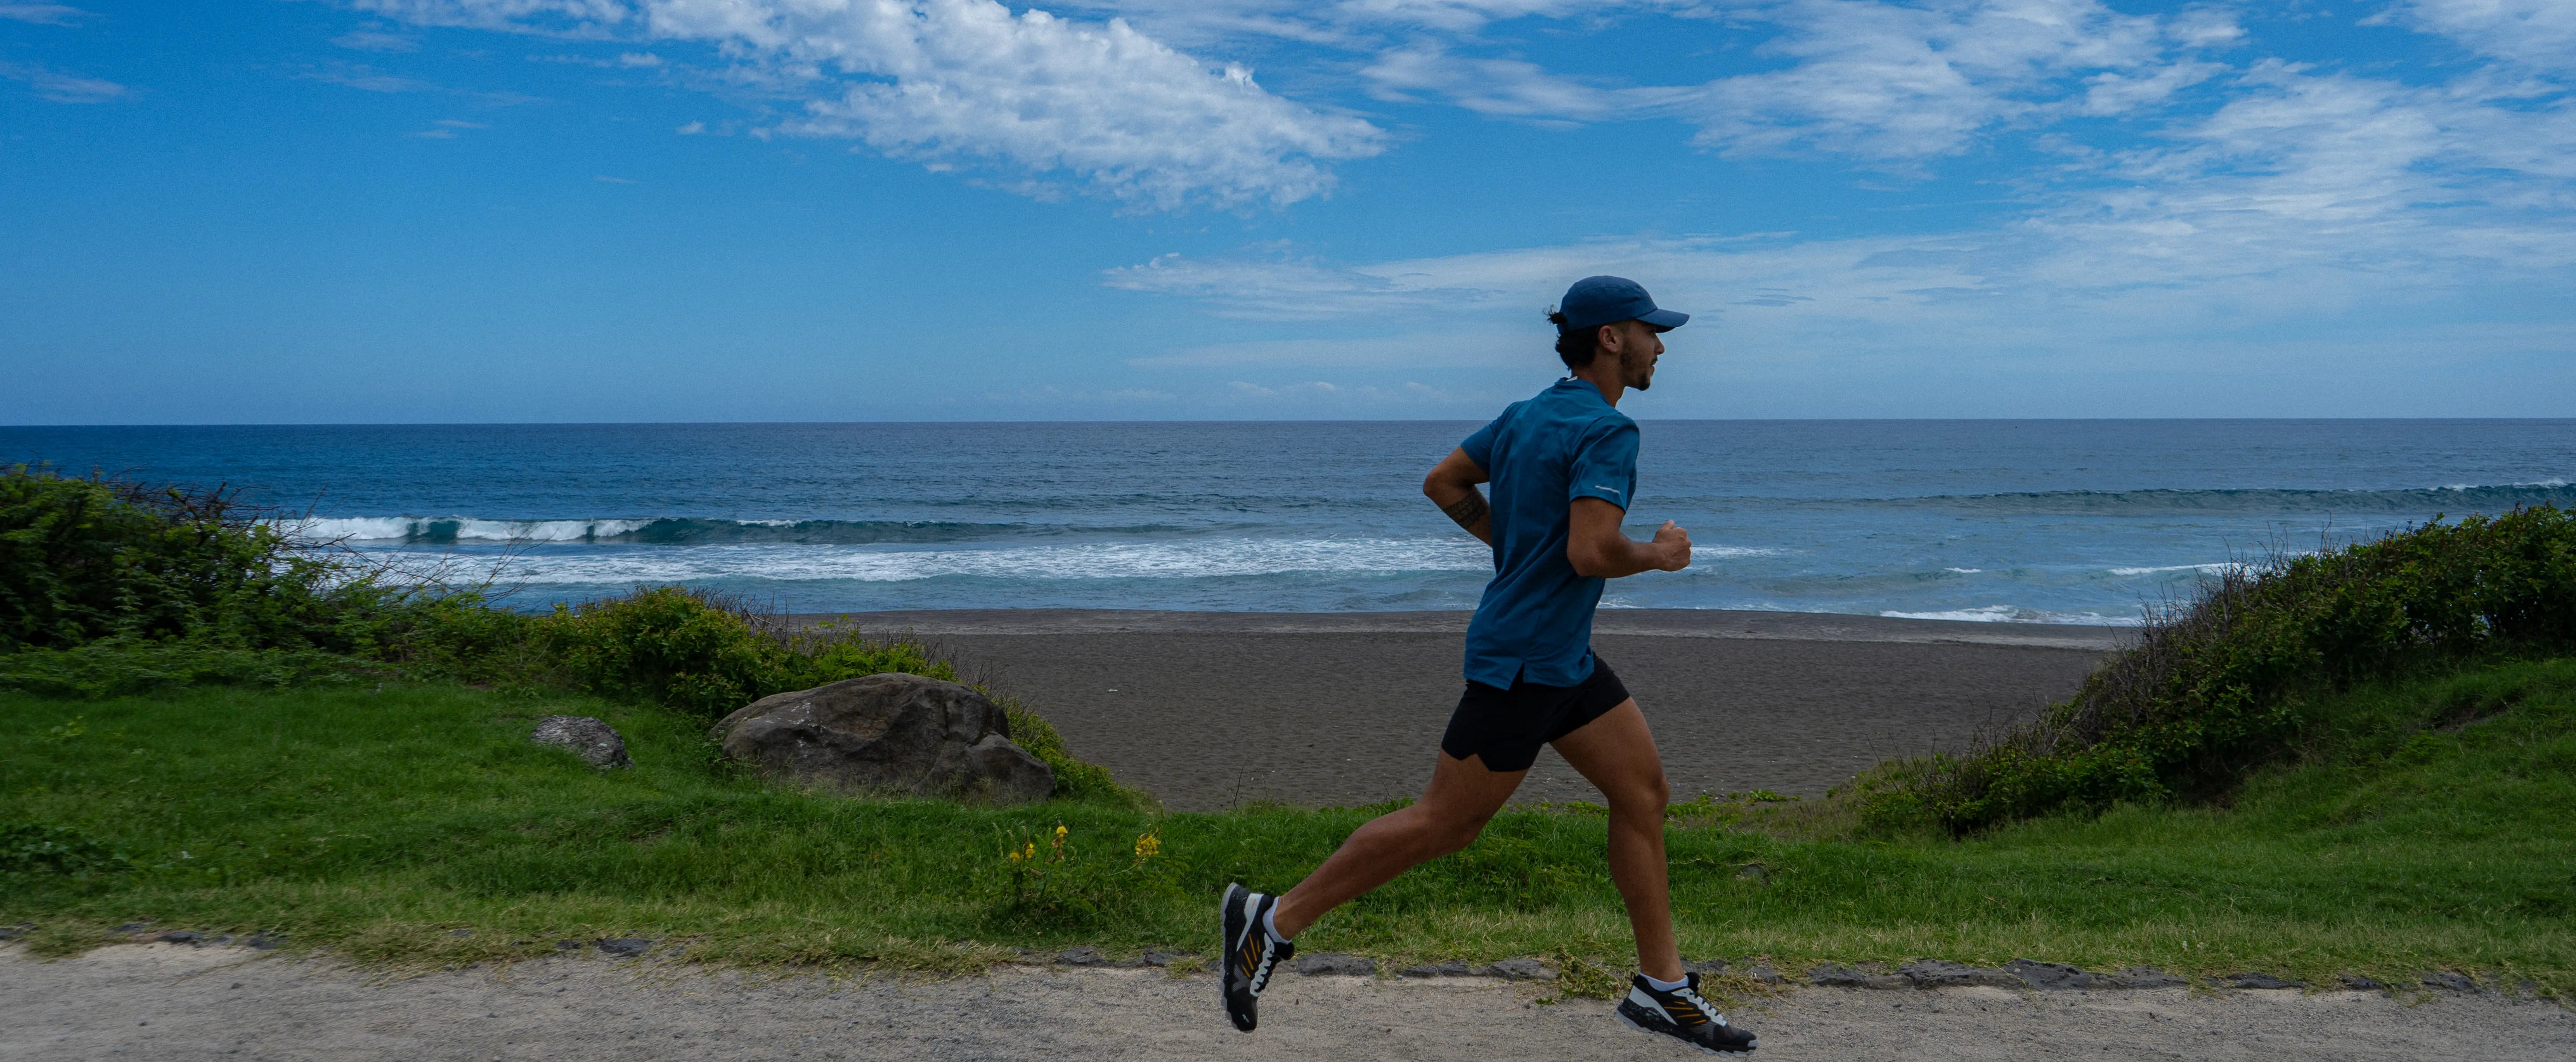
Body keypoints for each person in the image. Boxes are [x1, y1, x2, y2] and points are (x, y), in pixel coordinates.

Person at [1220, 275, 1756, 1054]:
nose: (1661, 346)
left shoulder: (1527, 414)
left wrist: (1513, 545)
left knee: (1643, 792)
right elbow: (1591, 551)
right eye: (1650, 331)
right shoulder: (1610, 432)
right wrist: (1662, 556)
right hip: (1525, 662)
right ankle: (1271, 920)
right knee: (1446, 821)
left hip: (1562, 658)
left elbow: (1445, 481)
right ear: (1611, 337)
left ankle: (1660, 985)